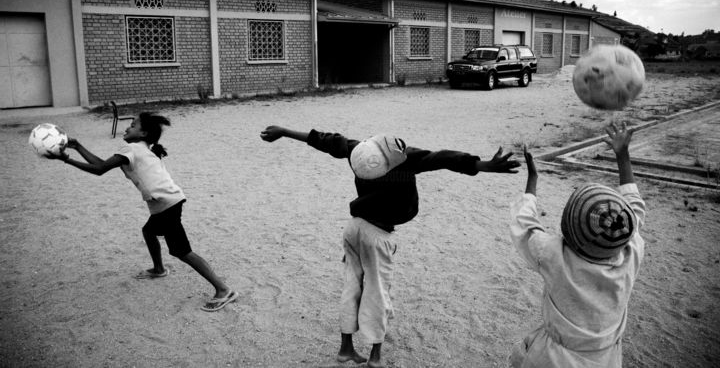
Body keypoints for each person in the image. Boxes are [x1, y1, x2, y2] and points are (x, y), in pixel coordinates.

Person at [260, 126, 520, 367]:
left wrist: (283, 131)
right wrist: (483, 165)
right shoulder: (405, 160)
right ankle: (375, 356)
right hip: (377, 236)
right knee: (377, 291)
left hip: (353, 229)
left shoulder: (358, 152)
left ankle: (346, 348)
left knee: (352, 286)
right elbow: (443, 158)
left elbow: (326, 141)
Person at [54, 112, 238, 312]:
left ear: (143, 133)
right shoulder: (140, 148)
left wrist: (66, 159)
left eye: (132, 125)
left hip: (168, 204)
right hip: (166, 203)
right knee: (149, 231)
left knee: (181, 251)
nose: (127, 128)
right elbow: (101, 163)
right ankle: (159, 269)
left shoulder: (131, 148)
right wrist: (78, 146)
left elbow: (99, 168)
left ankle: (223, 289)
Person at [509, 121, 646, 367]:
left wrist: (532, 180)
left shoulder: (553, 255)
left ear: (567, 229)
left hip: (553, 359)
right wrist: (623, 156)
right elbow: (634, 207)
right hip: (606, 359)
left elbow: (524, 223)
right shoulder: (631, 251)